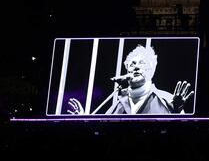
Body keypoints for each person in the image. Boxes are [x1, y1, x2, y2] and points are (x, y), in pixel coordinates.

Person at [66, 44, 194, 115]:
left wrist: (177, 112)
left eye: (142, 63)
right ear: (127, 69)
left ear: (152, 69)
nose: (136, 67)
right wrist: (83, 120)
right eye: (132, 64)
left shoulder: (168, 100)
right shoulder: (116, 105)